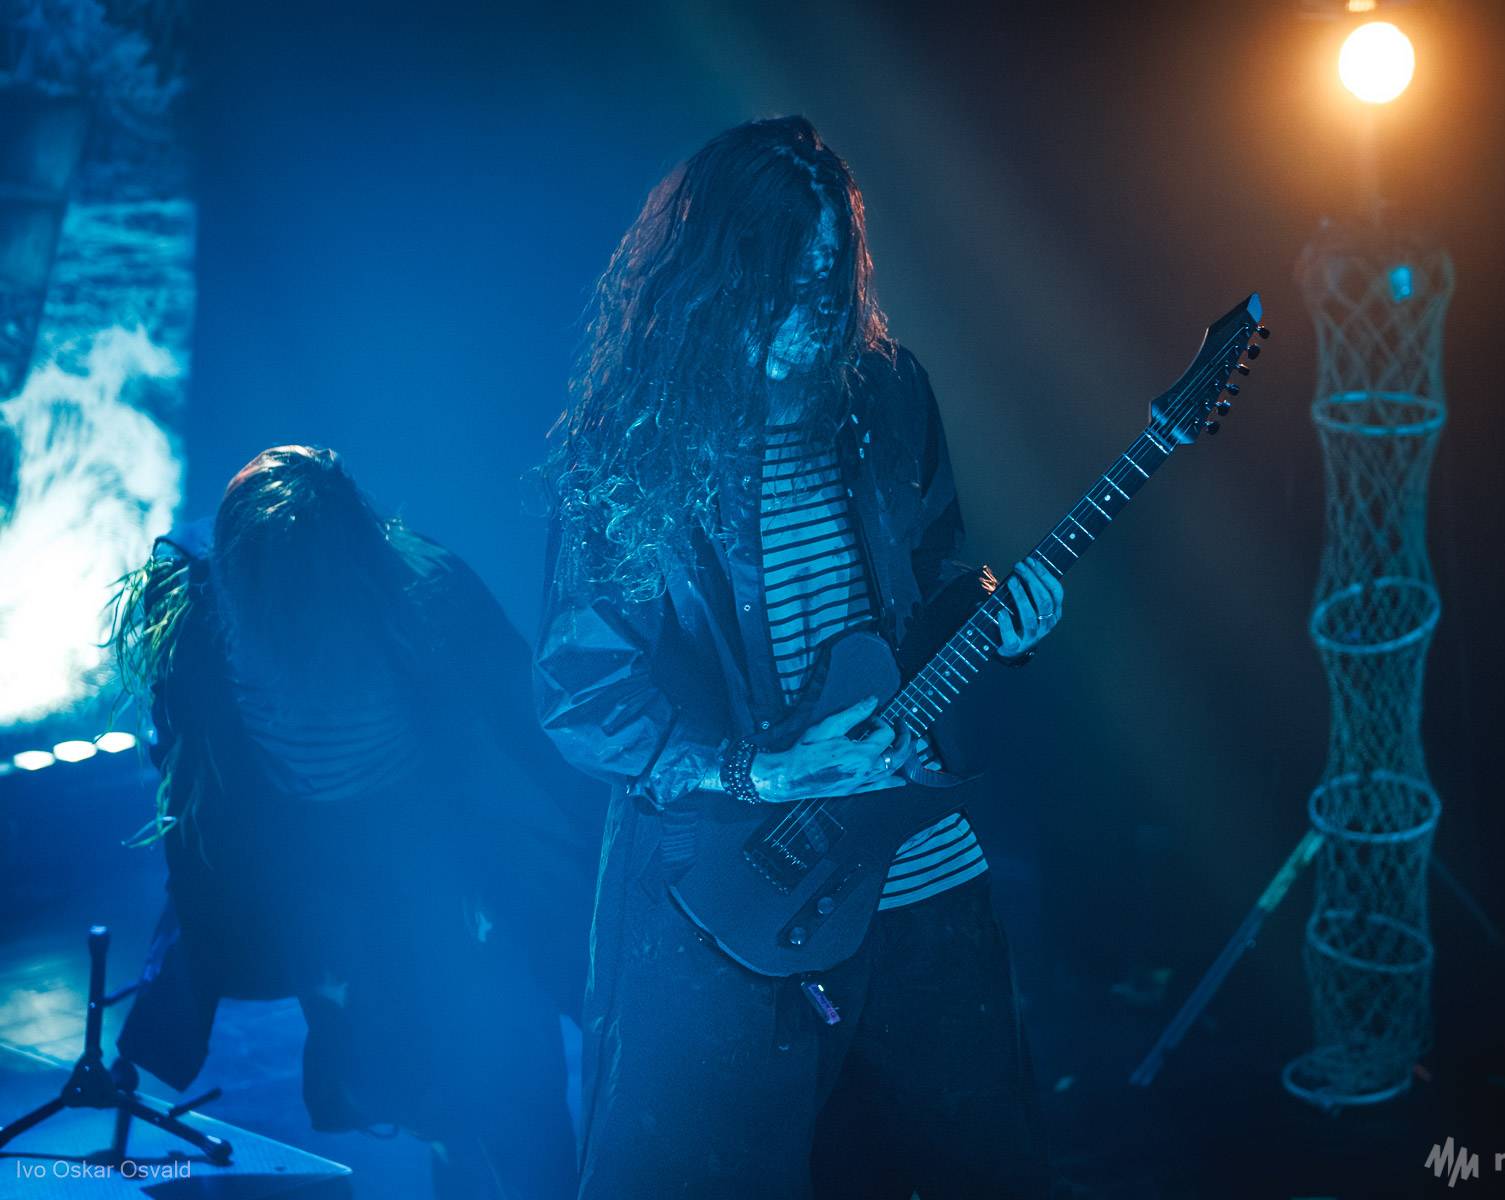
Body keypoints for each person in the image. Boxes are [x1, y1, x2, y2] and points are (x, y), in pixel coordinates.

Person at [537, 116, 1062, 1199]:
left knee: (977, 1165)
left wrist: (997, 615)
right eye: (779, 278)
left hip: (914, 854)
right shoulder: (637, 443)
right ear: (711, 278)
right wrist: (762, 771)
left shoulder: (889, 393)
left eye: (829, 275)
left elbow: (938, 574)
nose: (812, 308)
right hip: (736, 881)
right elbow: (583, 693)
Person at [111, 444, 596, 1200]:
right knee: (417, 1082)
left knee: (511, 1077)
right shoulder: (199, 608)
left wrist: (570, 856)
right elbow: (189, 757)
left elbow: (526, 727)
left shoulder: (424, 590)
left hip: (438, 856)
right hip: (320, 872)